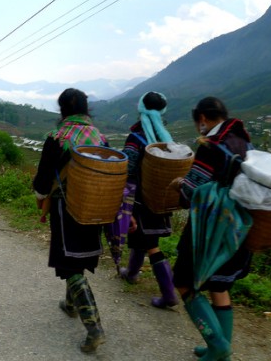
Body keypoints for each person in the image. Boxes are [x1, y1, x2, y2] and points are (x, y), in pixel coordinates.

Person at [170, 96, 253, 361]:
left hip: (208, 232)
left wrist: (179, 185)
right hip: (238, 229)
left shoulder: (210, 146)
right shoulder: (244, 141)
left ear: (203, 119)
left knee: (183, 282)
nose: (198, 129)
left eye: (198, 124)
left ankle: (218, 346)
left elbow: (192, 194)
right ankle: (222, 354)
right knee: (219, 285)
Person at [32, 88, 107, 354]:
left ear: (61, 109)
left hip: (67, 208)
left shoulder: (57, 138)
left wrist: (41, 198)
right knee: (78, 256)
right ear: (87, 109)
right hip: (95, 207)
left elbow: (42, 180)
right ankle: (71, 305)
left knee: (69, 263)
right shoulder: (100, 138)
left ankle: (94, 328)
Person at [118, 91, 179, 309]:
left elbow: (128, 167)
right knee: (143, 237)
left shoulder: (137, 137)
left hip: (140, 198)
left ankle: (169, 292)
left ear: (140, 108)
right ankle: (131, 272)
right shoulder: (166, 139)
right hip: (161, 198)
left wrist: (125, 199)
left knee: (151, 244)